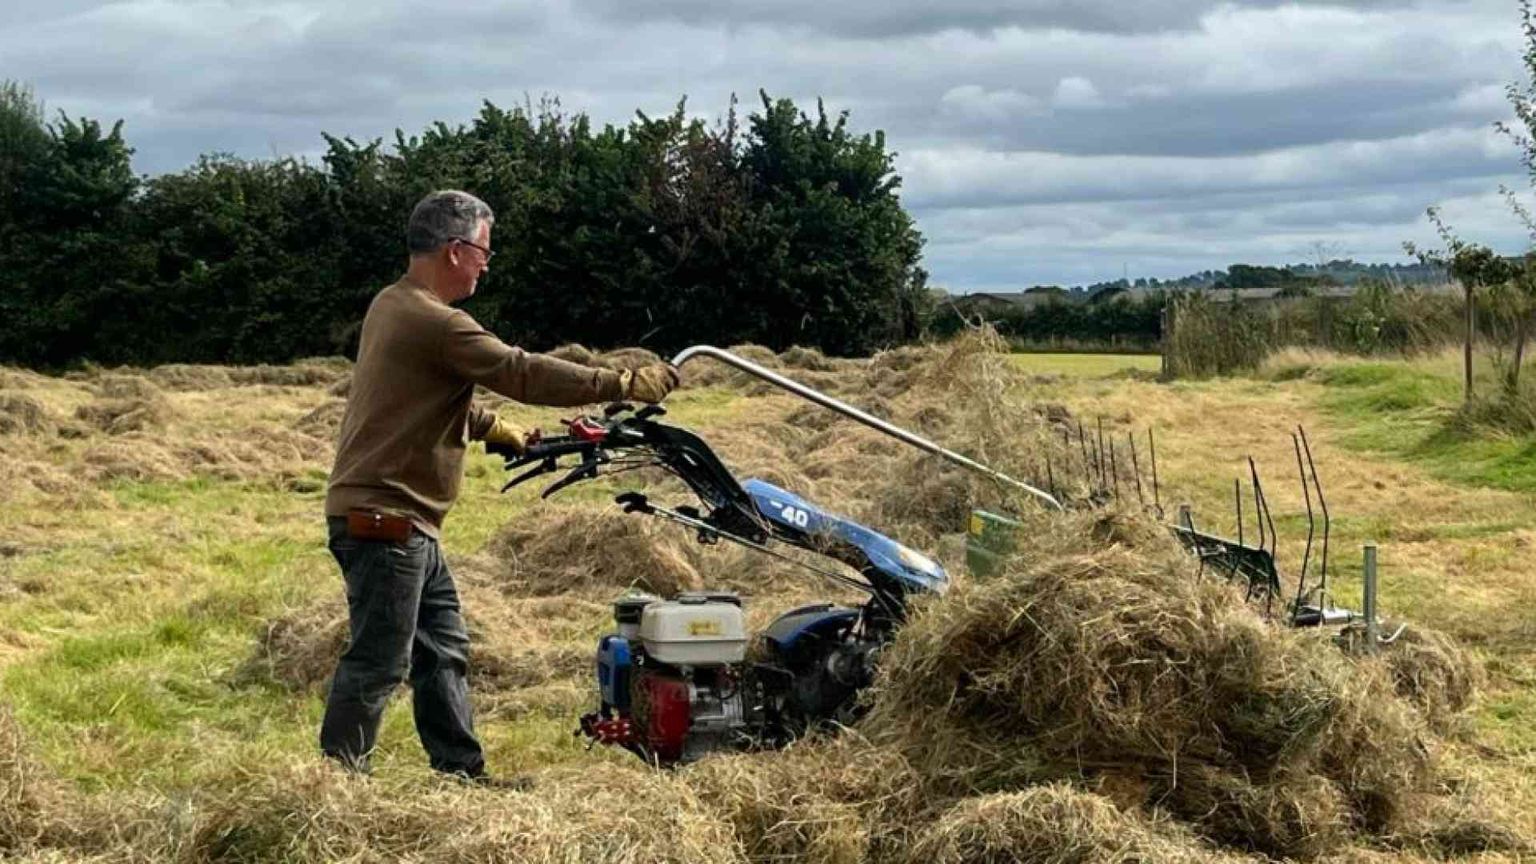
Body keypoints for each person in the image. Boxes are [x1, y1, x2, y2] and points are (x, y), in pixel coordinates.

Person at [321, 189, 678, 782]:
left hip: (404, 520)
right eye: (485, 251)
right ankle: (333, 790)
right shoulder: (437, 321)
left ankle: (462, 773)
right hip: (387, 519)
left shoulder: (390, 305)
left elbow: (411, 397)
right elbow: (520, 370)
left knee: (443, 653)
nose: (488, 263)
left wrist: (492, 427)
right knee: (380, 663)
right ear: (457, 251)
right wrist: (619, 382)